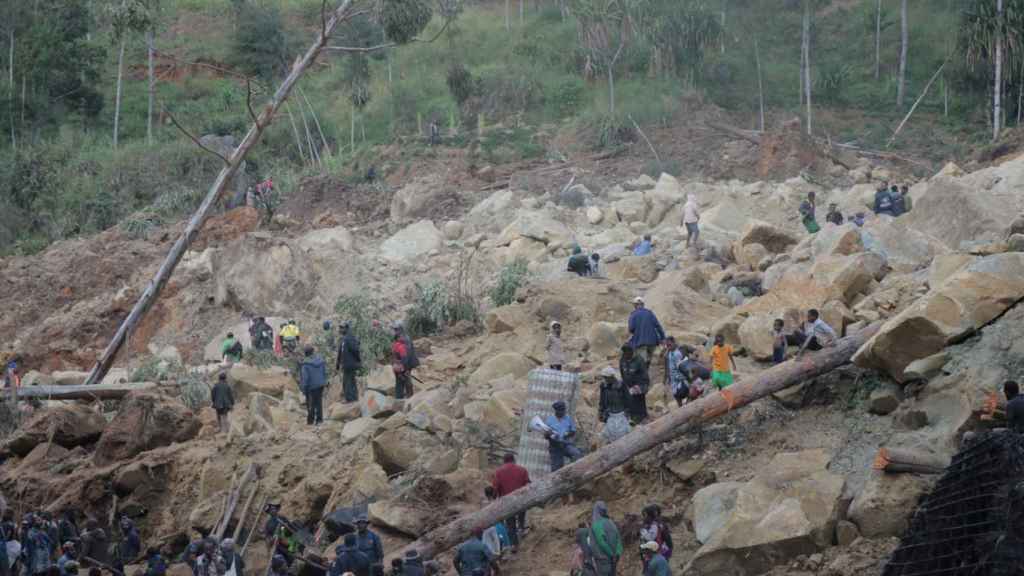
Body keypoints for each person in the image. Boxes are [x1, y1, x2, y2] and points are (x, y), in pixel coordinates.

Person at [492, 454, 530, 552]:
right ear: (514, 460)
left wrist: (494, 500)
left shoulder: (498, 472)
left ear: (504, 461)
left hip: (506, 501)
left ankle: (514, 544)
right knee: (521, 513)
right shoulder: (522, 470)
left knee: (510, 523)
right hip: (521, 499)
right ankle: (521, 528)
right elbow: (528, 484)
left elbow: (495, 488)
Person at [544, 401, 583, 471]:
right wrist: (550, 434)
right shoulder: (550, 420)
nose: (563, 412)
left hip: (566, 444)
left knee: (577, 454)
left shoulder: (568, 418)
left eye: (564, 410)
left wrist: (567, 434)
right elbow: (546, 436)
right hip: (555, 446)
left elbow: (573, 431)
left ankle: (572, 472)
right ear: (556, 411)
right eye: (561, 411)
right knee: (556, 468)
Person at [628, 297, 665, 369]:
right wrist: (663, 338)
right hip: (652, 342)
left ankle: (643, 377)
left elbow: (631, 328)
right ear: (643, 304)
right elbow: (658, 326)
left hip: (640, 342)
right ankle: (646, 374)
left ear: (635, 305)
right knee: (648, 361)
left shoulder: (633, 314)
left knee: (642, 363)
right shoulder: (650, 313)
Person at [598, 367, 631, 443]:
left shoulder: (621, 385)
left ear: (612, 377)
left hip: (621, 413)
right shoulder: (603, 386)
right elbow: (602, 399)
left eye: (606, 377)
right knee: (610, 432)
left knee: (622, 432)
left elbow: (628, 398)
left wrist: (628, 410)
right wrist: (601, 411)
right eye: (604, 377)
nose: (605, 379)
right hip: (610, 413)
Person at [589, 502, 622, 576]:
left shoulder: (597, 524)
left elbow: (602, 542)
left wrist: (611, 554)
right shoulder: (612, 523)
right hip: (614, 559)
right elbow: (618, 540)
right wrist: (617, 553)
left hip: (603, 560)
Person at [619, 345, 650, 424]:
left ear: (631, 352)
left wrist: (642, 386)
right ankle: (631, 416)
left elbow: (645, 375)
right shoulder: (622, 360)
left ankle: (641, 417)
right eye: (624, 353)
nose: (625, 355)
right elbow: (622, 373)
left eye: (627, 352)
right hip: (628, 384)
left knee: (637, 398)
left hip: (640, 384)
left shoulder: (639, 360)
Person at [335, 322, 363, 403]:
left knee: (347, 382)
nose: (340, 330)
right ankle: (354, 398)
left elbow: (355, 350)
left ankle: (350, 400)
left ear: (347, 328)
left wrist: (358, 360)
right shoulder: (344, 339)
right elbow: (340, 353)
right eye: (340, 328)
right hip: (347, 364)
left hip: (350, 364)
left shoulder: (349, 338)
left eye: (342, 328)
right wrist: (337, 365)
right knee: (350, 381)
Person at [300, 346, 327, 426]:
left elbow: (305, 378)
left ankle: (310, 422)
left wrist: (304, 389)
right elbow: (324, 372)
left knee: (311, 404)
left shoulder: (305, 364)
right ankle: (319, 420)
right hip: (320, 384)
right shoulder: (321, 360)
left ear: (305, 354)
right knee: (319, 402)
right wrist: (324, 382)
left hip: (311, 386)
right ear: (313, 352)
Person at [392, 321, 419, 399]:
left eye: (396, 329)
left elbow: (407, 355)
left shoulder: (405, 339)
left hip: (406, 363)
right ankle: (406, 397)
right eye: (395, 329)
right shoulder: (400, 338)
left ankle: (409, 398)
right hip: (403, 363)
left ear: (401, 329)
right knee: (403, 381)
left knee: (405, 380)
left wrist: (405, 367)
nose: (395, 331)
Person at [663, 337, 688, 407]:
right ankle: (681, 408)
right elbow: (668, 366)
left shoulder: (677, 354)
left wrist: (680, 378)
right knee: (676, 395)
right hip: (673, 378)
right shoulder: (670, 353)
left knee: (680, 394)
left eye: (669, 345)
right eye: (667, 345)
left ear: (674, 343)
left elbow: (680, 367)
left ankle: (684, 407)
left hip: (678, 378)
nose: (668, 347)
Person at [391, 332, 413, 400]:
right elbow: (404, 359)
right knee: (407, 383)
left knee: (398, 383)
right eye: (401, 337)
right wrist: (406, 369)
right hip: (401, 368)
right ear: (398, 338)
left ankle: (398, 398)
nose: (403, 338)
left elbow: (394, 357)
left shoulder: (394, 345)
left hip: (395, 367)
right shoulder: (401, 347)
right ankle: (409, 398)